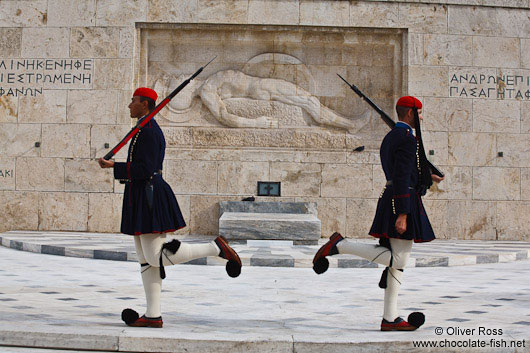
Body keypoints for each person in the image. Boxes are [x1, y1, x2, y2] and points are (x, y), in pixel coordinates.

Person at [98, 87, 242, 328]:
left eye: (133, 101)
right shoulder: (142, 128)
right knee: (145, 259)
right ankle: (153, 315)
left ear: (145, 104)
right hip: (139, 196)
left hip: (149, 197)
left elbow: (147, 168)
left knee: (155, 255)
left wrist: (115, 166)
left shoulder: (151, 132)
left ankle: (215, 248)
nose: (129, 105)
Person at [312, 96, 444, 331]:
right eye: (420, 113)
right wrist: (403, 213)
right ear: (411, 114)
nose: (422, 118)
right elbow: (402, 174)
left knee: (397, 263)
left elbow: (402, 169)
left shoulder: (394, 137)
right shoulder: (406, 139)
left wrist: (426, 175)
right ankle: (340, 246)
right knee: (399, 259)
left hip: (394, 195)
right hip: (402, 199)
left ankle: (390, 318)